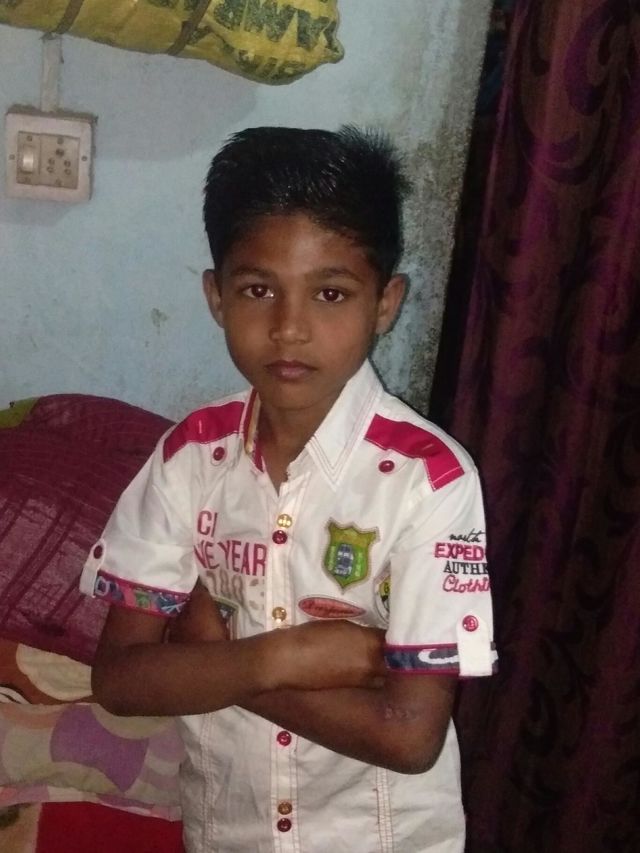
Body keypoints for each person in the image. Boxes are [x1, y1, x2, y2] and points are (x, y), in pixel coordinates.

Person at [81, 126, 497, 853]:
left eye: (331, 293)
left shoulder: (430, 481)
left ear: (385, 303)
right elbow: (118, 680)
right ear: (216, 296)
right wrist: (279, 657)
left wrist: (212, 661)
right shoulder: (188, 460)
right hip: (227, 833)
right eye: (258, 289)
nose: (290, 328)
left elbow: (408, 737)